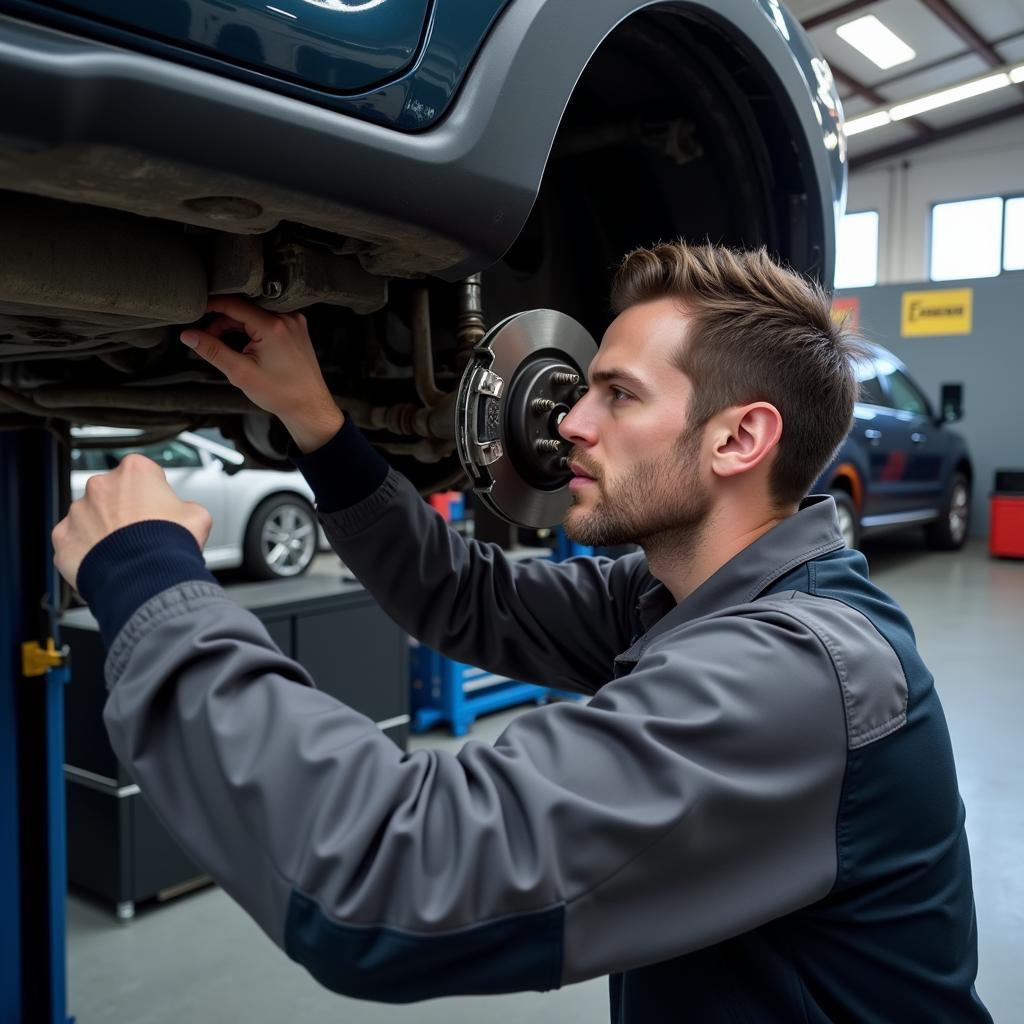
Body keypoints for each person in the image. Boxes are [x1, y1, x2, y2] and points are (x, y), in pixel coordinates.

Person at [52, 243, 992, 1023]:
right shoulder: (684, 596)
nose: (571, 421)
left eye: (619, 395)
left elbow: (388, 872)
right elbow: (466, 597)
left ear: (739, 440)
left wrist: (148, 578)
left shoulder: (796, 674)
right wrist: (316, 420)